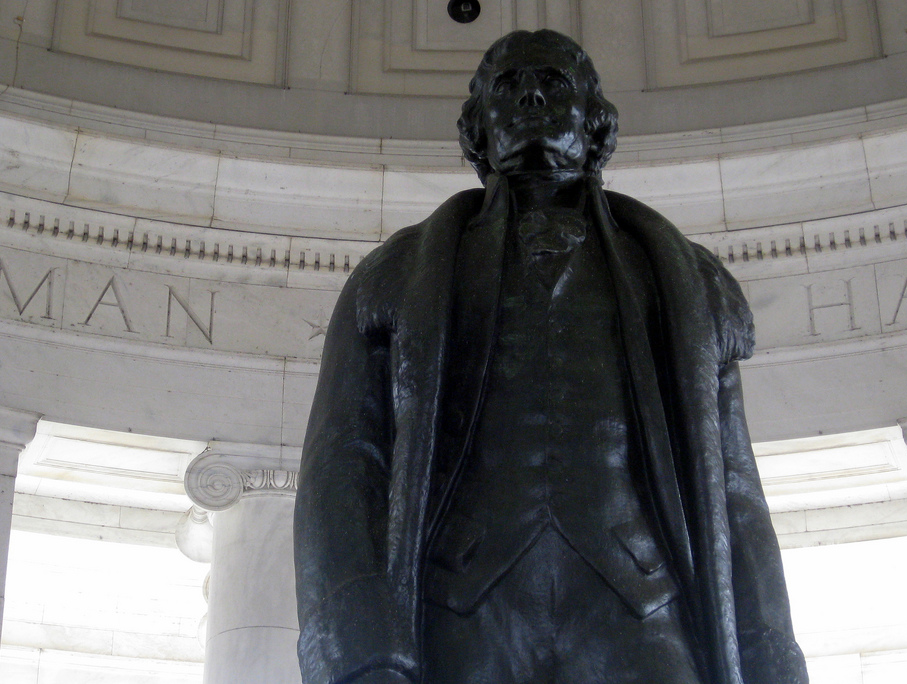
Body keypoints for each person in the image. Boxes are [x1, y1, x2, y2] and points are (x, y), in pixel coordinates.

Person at [293, 29, 808, 684]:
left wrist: (769, 653)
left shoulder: (690, 284)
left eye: (554, 81)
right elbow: (343, 465)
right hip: (459, 614)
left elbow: (735, 485)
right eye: (508, 85)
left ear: (597, 123)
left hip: (646, 613)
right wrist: (360, 645)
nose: (531, 92)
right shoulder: (394, 275)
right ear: (476, 131)